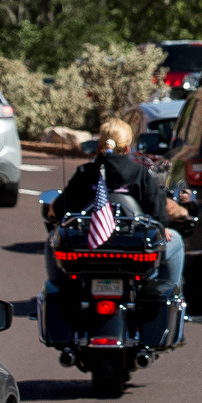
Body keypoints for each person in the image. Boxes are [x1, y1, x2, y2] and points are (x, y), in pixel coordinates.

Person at [61, 118, 187, 297]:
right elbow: (157, 209)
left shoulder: (85, 173)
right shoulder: (139, 173)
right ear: (127, 148)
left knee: (54, 240)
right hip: (133, 246)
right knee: (176, 241)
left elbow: (63, 209)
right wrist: (163, 225)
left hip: (88, 245)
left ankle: (62, 292)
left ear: (99, 146)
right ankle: (167, 296)